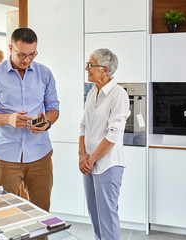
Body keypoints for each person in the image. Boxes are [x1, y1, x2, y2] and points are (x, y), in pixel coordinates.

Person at [0, 28, 59, 212]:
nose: (27, 60)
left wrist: (48, 123)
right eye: (22, 55)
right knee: (3, 215)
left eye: (32, 55)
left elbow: (54, 107)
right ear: (10, 48)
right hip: (5, 156)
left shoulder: (45, 74)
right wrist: (8, 118)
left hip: (40, 154)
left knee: (41, 215)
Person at [79, 49, 130, 240]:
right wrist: (82, 155)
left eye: (91, 65)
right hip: (89, 163)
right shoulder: (93, 92)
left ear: (105, 70)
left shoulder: (118, 95)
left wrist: (90, 159)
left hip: (108, 165)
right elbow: (83, 125)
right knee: (94, 214)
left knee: (107, 217)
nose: (87, 68)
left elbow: (113, 134)